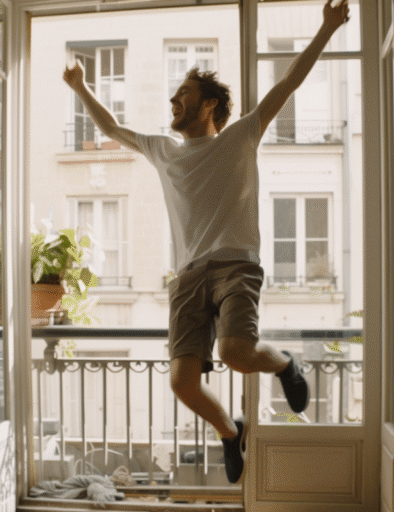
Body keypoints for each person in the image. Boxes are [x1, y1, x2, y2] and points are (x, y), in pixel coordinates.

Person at [63, 0, 350, 484]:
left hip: (237, 265)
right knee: (181, 382)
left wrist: (325, 27)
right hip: (188, 276)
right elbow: (111, 128)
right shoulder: (163, 150)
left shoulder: (240, 137)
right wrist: (80, 87)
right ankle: (228, 430)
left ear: (210, 104)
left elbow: (290, 83)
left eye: (184, 94)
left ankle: (284, 364)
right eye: (174, 96)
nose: (174, 102)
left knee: (237, 351)